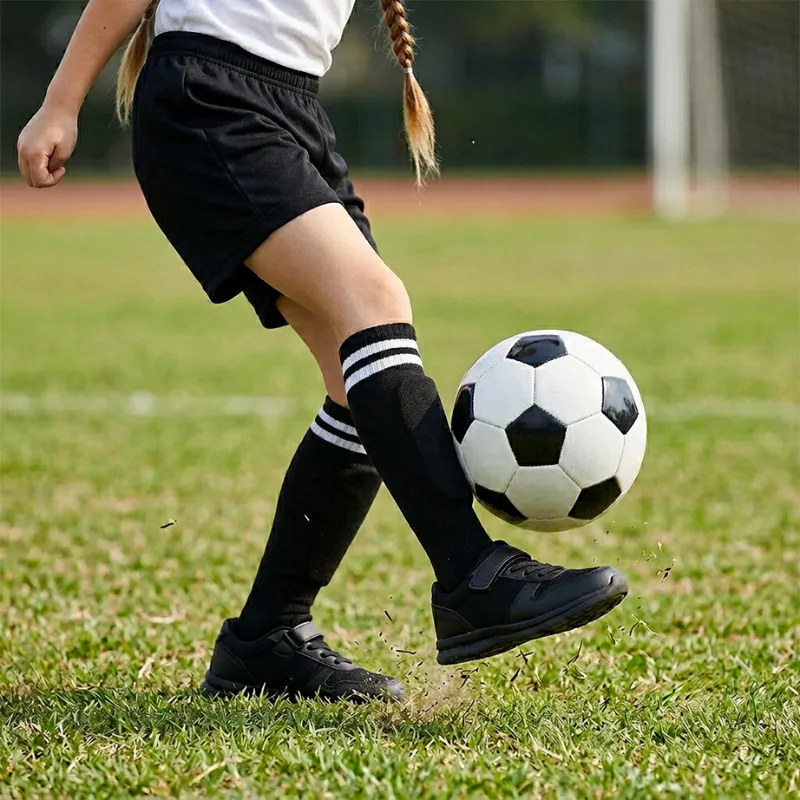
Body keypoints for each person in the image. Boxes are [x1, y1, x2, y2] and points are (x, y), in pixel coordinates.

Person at [17, 0, 628, 702]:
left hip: (287, 105)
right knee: (375, 303)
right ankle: (473, 575)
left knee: (353, 373)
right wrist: (61, 103)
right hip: (208, 101)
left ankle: (265, 639)